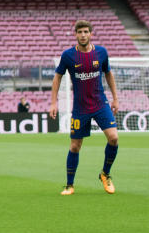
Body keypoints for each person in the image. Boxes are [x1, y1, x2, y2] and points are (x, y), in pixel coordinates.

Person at [48, 19, 120, 195]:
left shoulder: (101, 53)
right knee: (75, 146)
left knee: (114, 138)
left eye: (86, 32)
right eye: (80, 32)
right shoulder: (68, 55)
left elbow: (108, 73)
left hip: (100, 104)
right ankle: (69, 185)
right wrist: (54, 102)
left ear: (91, 34)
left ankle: (105, 174)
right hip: (80, 108)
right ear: (75, 34)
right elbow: (57, 77)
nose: (83, 35)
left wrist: (115, 98)